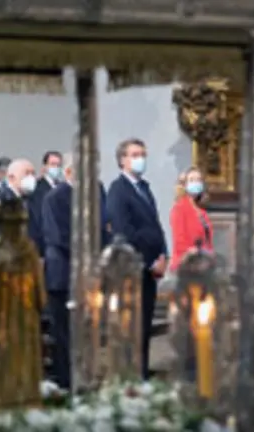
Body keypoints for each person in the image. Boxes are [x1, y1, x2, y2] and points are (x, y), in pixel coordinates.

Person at [42, 154, 110, 389]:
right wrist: (88, 254)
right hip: (64, 274)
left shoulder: (97, 192)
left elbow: (104, 226)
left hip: (88, 274)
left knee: (87, 332)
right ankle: (66, 380)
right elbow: (59, 236)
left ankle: (86, 376)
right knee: (64, 333)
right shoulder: (55, 197)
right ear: (70, 173)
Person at [106, 138, 167, 379]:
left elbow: (155, 225)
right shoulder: (118, 190)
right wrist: (149, 261)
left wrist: (163, 254)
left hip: (151, 269)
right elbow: (124, 231)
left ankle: (141, 373)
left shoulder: (145, 188)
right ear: (122, 160)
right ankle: (131, 376)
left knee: (144, 328)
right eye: (134, 154)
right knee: (132, 328)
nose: (140, 158)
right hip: (133, 270)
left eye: (142, 154)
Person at [0, 159, 44, 256]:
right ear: (11, 178)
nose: (31, 178)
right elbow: (0, 234)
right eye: (26, 173)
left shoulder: (35, 200)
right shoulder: (1, 201)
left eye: (33, 173)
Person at [168, 167, 213, 273]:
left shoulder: (202, 211)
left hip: (204, 265)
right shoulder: (179, 208)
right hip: (186, 266)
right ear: (184, 185)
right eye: (192, 180)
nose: (196, 183)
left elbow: (208, 240)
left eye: (198, 180)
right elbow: (179, 241)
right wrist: (194, 254)